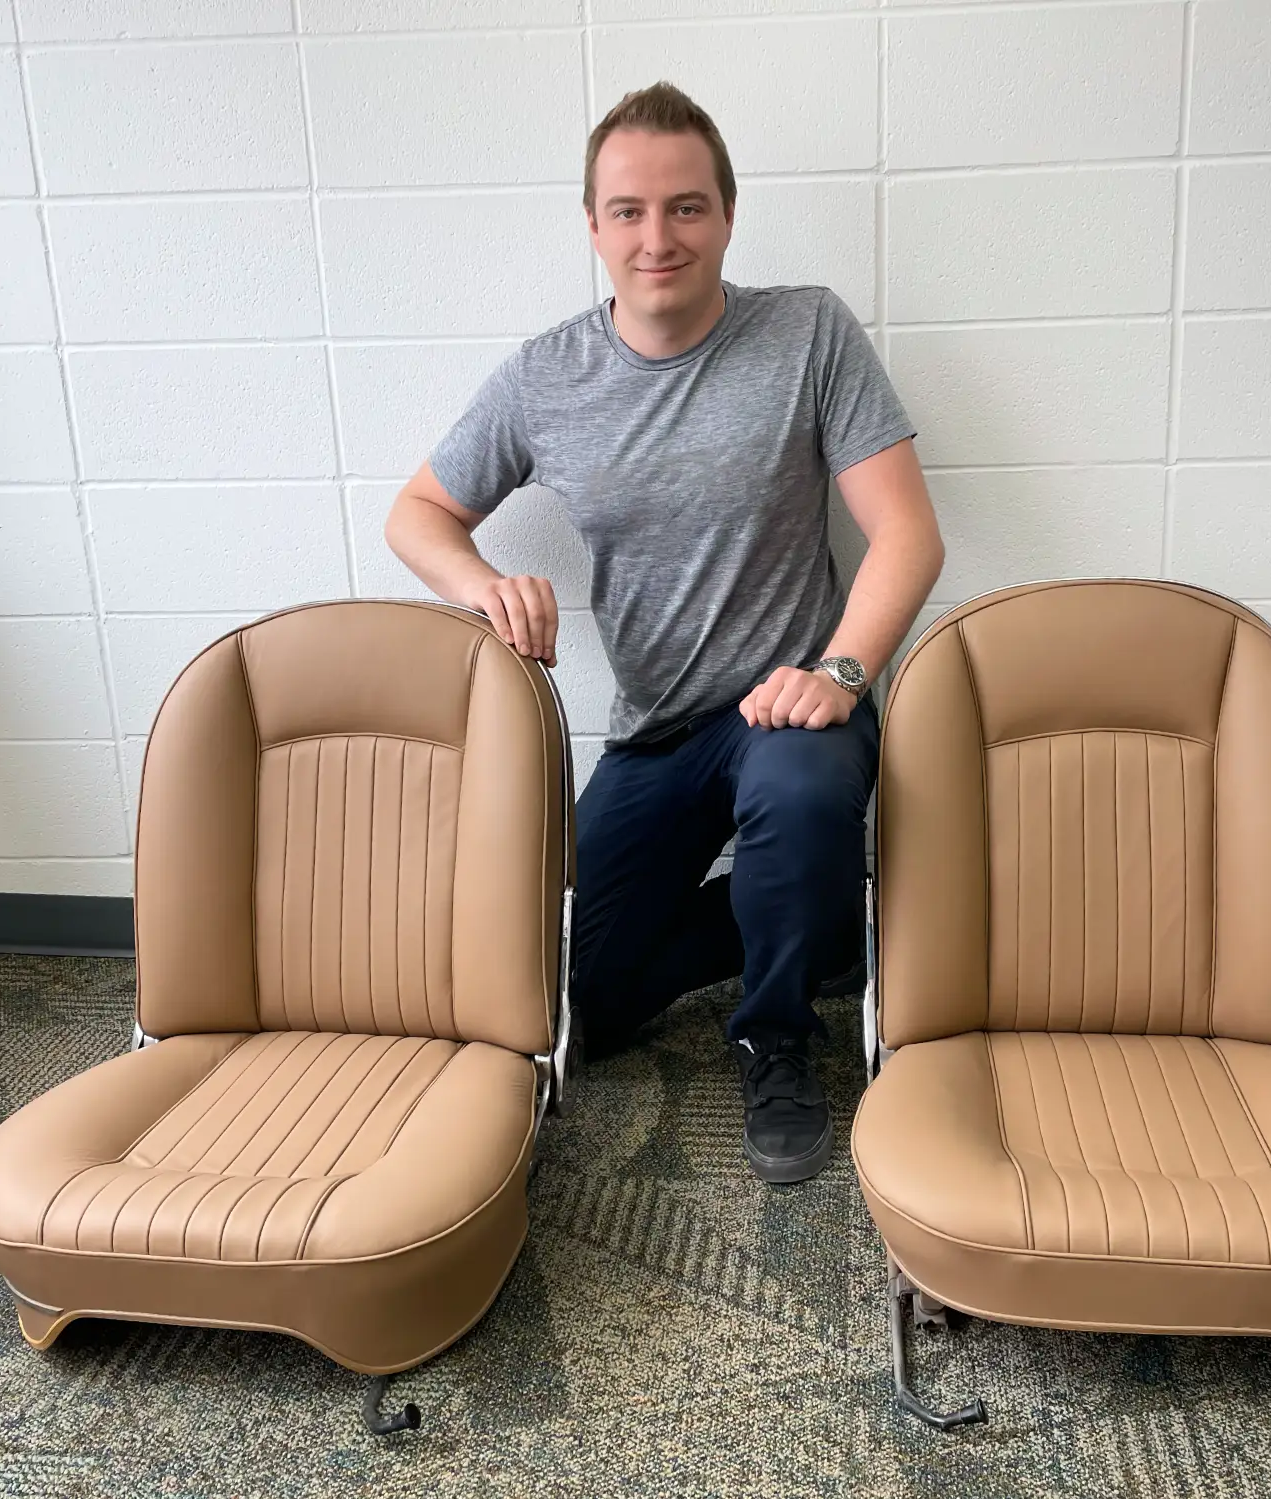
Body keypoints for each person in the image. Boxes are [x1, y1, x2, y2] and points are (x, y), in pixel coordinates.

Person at [385, 82, 943, 1184]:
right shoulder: (545, 377)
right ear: (592, 226)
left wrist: (840, 670)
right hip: (651, 730)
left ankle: (776, 1032)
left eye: (685, 208)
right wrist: (481, 584)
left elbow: (906, 536)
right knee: (579, 988)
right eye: (629, 212)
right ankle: (817, 927)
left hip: (786, 707)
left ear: (725, 217)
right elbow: (416, 512)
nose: (658, 237)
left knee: (794, 790)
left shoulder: (806, 330)